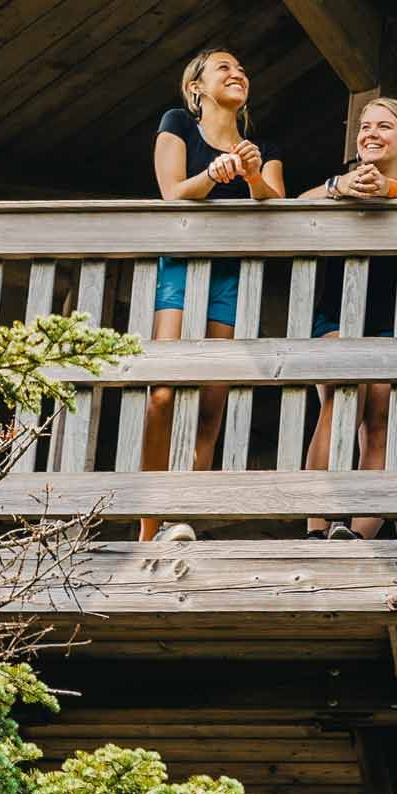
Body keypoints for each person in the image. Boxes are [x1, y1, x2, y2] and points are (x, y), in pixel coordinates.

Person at [142, 48, 285, 541]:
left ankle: (180, 515)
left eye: (242, 68)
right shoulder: (178, 123)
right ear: (197, 87)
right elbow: (171, 192)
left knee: (211, 398)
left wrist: (248, 174)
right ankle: (148, 521)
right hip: (181, 268)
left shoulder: (260, 148)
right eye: (224, 67)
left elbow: (277, 204)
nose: (237, 72)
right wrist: (214, 174)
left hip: (231, 276)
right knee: (162, 392)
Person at [299, 96, 397, 538]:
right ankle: (316, 527)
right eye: (365, 126)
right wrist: (337, 187)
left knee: (385, 420)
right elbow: (294, 205)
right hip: (338, 315)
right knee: (343, 398)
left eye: (384, 126)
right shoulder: (341, 181)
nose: (371, 133)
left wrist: (392, 191)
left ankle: (359, 537)